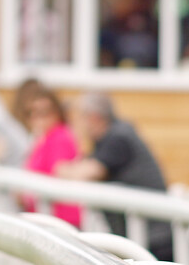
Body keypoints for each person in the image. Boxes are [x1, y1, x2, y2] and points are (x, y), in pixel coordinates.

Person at [56, 92, 173, 260]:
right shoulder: (110, 136)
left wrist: (64, 169)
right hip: (142, 232)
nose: (77, 124)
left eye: (79, 117)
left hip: (153, 236)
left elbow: (85, 173)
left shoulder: (118, 137)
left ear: (94, 117)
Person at [21, 87, 82, 227]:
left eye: (44, 112)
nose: (38, 118)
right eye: (32, 113)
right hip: (44, 217)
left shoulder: (59, 137)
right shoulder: (42, 138)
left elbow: (60, 172)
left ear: (56, 112)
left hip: (60, 221)